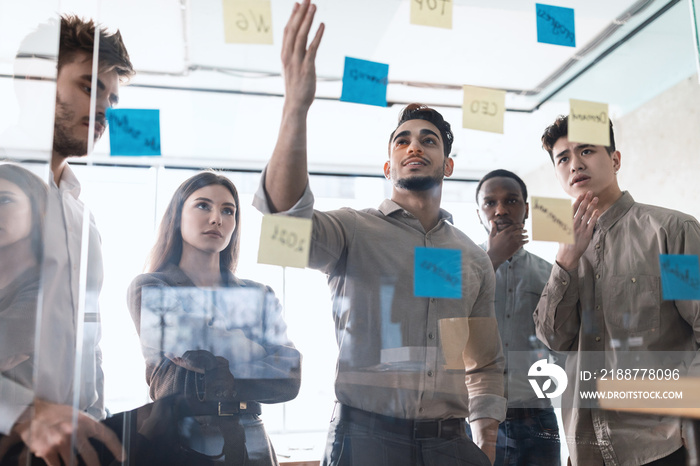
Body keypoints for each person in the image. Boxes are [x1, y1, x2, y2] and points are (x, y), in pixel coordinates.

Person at [253, 2, 506, 464]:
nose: (415, 146)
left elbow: (483, 362)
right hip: (366, 438)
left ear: (447, 165)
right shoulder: (353, 229)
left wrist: (485, 444)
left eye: (428, 140)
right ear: (388, 165)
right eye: (403, 140)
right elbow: (283, 224)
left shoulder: (471, 258)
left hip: (451, 443)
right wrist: (296, 107)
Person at [0, 15, 133, 466]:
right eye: (88, 87)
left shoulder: (81, 215)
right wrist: (20, 413)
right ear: (33, 81)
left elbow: (87, 338)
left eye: (111, 98)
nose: (103, 111)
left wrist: (97, 417)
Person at [534, 115, 700, 465]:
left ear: (615, 159)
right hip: (585, 446)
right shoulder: (566, 251)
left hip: (662, 445)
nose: (575, 163)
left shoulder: (671, 232)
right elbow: (554, 338)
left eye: (587, 150)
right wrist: (565, 263)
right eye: (563, 158)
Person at [126, 171, 301, 465]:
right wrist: (257, 352)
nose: (216, 218)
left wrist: (213, 356)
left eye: (227, 210)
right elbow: (191, 345)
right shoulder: (151, 287)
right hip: (183, 437)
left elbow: (289, 378)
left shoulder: (259, 294)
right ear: (177, 215)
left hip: (251, 439)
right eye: (203, 205)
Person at [469, 169, 560, 465]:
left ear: (527, 208)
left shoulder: (551, 274)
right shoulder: (461, 270)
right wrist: (491, 261)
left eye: (511, 201)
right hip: (476, 416)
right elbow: (444, 327)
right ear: (479, 212)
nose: (500, 210)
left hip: (537, 415)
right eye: (490, 203)